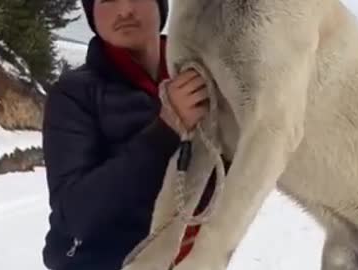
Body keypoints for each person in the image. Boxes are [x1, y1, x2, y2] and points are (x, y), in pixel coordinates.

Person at [41, 0, 227, 269]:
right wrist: (166, 129)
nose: (125, 9)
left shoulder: (202, 80)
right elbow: (75, 214)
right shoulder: (73, 95)